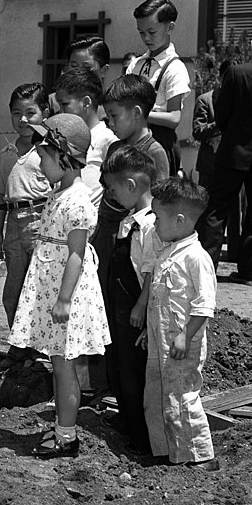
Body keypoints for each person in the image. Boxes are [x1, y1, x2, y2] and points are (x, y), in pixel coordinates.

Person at [8, 113, 111, 458]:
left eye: (44, 155)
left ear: (65, 158)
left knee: (65, 367)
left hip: (63, 293)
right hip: (52, 287)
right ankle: (61, 429)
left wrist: (64, 300)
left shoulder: (78, 201)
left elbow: (77, 256)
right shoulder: (61, 192)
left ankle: (67, 437)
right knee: (57, 363)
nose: (38, 161)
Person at [90, 74, 168, 393]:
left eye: (114, 116)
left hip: (140, 256)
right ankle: (110, 388)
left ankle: (133, 398)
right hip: (110, 243)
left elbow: (158, 208)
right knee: (107, 317)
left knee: (130, 324)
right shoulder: (116, 147)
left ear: (136, 113)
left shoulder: (155, 153)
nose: (110, 124)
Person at [198, 26, 252, 286]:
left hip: (234, 150)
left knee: (217, 209)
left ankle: (206, 268)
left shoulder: (236, 73)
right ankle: (250, 273)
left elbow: (222, 113)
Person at [143, 177, 218, 471]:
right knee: (158, 395)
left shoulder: (196, 258)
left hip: (181, 345)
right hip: (160, 344)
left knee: (182, 398)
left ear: (179, 220)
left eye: (158, 217)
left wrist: (185, 336)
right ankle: (168, 452)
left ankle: (201, 456)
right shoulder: (167, 252)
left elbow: (204, 305)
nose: (155, 224)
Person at [99, 146, 161, 457]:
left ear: (131, 186)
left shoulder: (151, 225)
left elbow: (152, 271)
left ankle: (144, 439)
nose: (110, 193)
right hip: (120, 310)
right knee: (121, 370)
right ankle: (127, 420)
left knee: (136, 375)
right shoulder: (128, 221)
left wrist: (140, 307)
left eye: (112, 187)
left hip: (138, 310)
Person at [0, 83, 52, 368]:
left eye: (31, 112)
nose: (23, 120)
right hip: (13, 226)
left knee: (39, 290)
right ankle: (19, 346)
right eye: (17, 114)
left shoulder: (50, 152)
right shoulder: (6, 155)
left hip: (41, 222)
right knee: (12, 293)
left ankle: (41, 351)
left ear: (45, 113)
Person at [126, 0, 191, 176]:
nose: (146, 38)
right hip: (133, 138)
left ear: (170, 27)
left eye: (152, 32)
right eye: (141, 32)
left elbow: (174, 118)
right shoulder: (136, 64)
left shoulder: (175, 68)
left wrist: (141, 114)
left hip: (161, 142)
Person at [191, 60, 242, 261]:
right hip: (210, 166)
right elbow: (197, 131)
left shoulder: (241, 100)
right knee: (207, 212)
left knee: (235, 213)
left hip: (234, 163)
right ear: (220, 78)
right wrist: (220, 124)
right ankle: (204, 257)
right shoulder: (206, 100)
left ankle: (235, 255)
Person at [53, 67, 117, 208]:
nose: (60, 111)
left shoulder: (108, 140)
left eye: (65, 104)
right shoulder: (62, 137)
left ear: (86, 102)